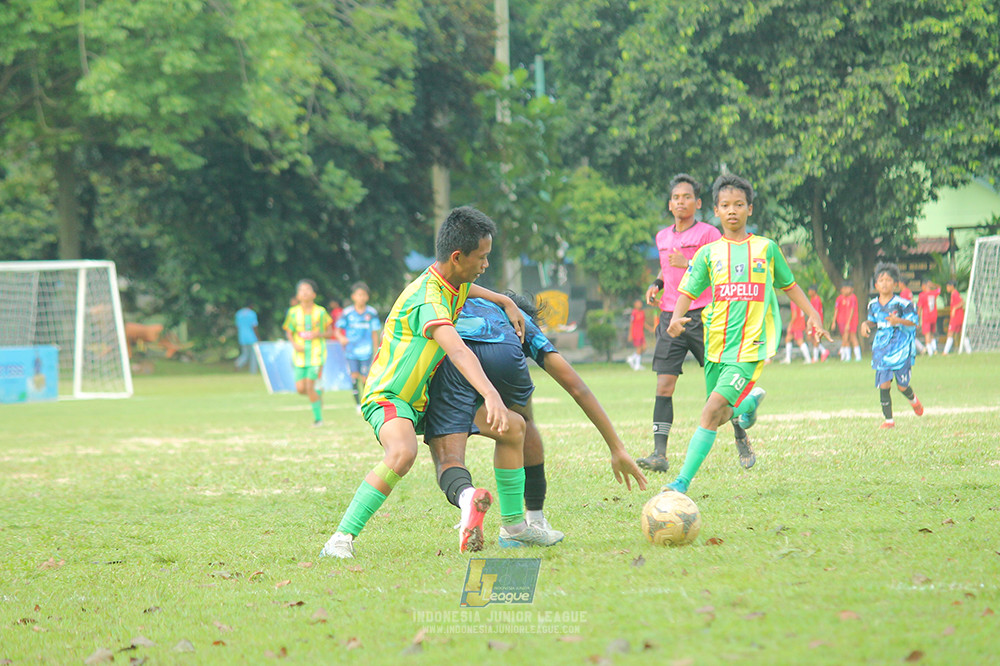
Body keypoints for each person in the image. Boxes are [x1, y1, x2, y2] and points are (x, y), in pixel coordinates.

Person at [319, 207, 557, 559]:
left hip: (428, 398)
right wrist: (490, 393)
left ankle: (515, 528)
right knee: (402, 453)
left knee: (514, 427)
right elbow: (458, 352)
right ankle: (340, 539)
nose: (486, 264)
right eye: (483, 257)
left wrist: (502, 299)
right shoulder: (428, 299)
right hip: (391, 396)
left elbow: (470, 288)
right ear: (458, 257)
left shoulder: (453, 281)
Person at [424, 293, 648, 551]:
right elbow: (577, 388)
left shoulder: (457, 297)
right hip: (503, 351)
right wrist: (616, 447)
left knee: (449, 458)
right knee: (522, 423)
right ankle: (530, 521)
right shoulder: (519, 318)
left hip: (449, 355)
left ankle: (466, 497)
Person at [661, 174, 831, 495]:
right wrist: (676, 318)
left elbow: (790, 286)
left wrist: (813, 316)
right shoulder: (708, 254)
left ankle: (680, 484)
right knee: (722, 415)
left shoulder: (765, 249)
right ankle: (748, 405)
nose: (732, 211)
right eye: (725, 205)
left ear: (749, 209)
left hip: (750, 349)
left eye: (739, 205)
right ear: (716, 210)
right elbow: (687, 289)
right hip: (716, 348)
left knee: (709, 411)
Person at [637, 173, 755, 473]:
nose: (681, 202)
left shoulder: (709, 234)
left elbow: (721, 267)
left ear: (699, 203)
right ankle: (659, 454)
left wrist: (688, 264)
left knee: (722, 386)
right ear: (670, 204)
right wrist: (657, 284)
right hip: (671, 316)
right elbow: (667, 269)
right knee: (664, 383)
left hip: (705, 315)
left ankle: (741, 435)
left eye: (687, 197)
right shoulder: (662, 237)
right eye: (676, 197)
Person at [860, 263, 923, 428]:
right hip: (882, 348)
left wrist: (899, 321)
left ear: (895, 284)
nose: (885, 283)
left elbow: (914, 322)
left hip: (900, 348)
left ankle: (913, 400)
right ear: (876, 285)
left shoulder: (903, 304)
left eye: (888, 280)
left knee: (902, 386)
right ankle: (889, 421)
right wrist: (865, 324)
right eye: (881, 280)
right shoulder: (873, 305)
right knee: (884, 384)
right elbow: (873, 321)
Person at [283, 280, 333, 426]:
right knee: (301, 389)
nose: (304, 292)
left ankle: (318, 419)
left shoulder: (321, 312)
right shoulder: (293, 313)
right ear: (297, 295)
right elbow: (289, 332)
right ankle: (317, 396)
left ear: (314, 294)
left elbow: (329, 332)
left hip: (316, 355)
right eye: (301, 290)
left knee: (310, 386)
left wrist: (319, 334)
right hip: (299, 357)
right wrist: (294, 344)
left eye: (308, 290)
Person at [335, 282, 382, 412]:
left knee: (365, 378)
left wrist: (376, 350)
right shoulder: (347, 313)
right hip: (351, 351)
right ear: (353, 297)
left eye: (363, 295)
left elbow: (374, 333)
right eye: (358, 295)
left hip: (366, 351)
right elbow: (337, 330)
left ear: (367, 297)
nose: (361, 297)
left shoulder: (371, 313)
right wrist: (341, 338)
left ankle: (366, 402)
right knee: (354, 376)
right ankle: (357, 404)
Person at [834, 284, 861, 361]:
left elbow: (852, 310)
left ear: (851, 289)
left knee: (852, 336)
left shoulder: (852, 298)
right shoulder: (845, 298)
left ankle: (857, 356)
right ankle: (847, 356)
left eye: (847, 288)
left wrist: (848, 323)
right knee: (846, 337)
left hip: (852, 320)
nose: (845, 290)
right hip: (845, 320)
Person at [942, 281, 969, 354]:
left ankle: (945, 352)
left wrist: (954, 308)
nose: (947, 288)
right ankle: (969, 351)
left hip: (956, 317)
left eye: (948, 286)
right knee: (962, 333)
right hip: (959, 317)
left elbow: (962, 302)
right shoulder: (954, 293)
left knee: (950, 333)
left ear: (952, 286)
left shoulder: (955, 294)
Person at [917, 280, 940, 355]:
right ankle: (935, 349)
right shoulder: (934, 293)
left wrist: (917, 318)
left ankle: (930, 353)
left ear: (924, 286)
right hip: (933, 316)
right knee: (932, 334)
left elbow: (920, 308)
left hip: (926, 317)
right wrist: (934, 285)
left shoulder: (922, 295)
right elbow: (939, 288)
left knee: (927, 334)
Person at [807, 285, 830, 362]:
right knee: (810, 337)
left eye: (810, 290)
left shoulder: (817, 300)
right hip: (812, 321)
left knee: (816, 337)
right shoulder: (812, 299)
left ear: (814, 291)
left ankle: (816, 357)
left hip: (816, 321)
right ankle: (823, 351)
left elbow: (815, 312)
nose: (809, 292)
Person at [234, 304, 259, 374]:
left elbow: (237, 326)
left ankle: (238, 363)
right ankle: (253, 371)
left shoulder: (238, 314)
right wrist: (257, 337)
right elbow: (254, 326)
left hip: (242, 337)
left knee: (245, 354)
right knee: (253, 355)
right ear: (251, 306)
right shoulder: (252, 314)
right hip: (252, 337)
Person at [627, 299, 649, 370]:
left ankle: (632, 358)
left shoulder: (642, 312)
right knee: (639, 348)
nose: (640, 304)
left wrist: (650, 329)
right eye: (638, 303)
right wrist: (630, 334)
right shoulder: (634, 313)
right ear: (635, 304)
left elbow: (643, 323)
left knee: (644, 347)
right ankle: (637, 365)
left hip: (641, 333)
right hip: (636, 333)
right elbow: (631, 324)